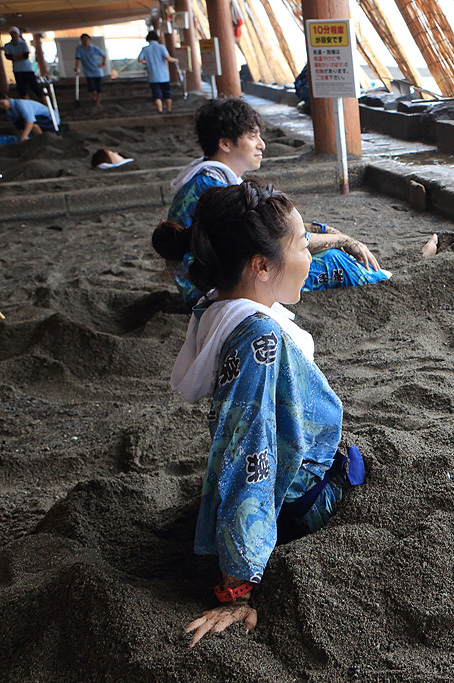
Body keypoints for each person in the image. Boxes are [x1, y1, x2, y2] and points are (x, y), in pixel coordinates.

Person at [168, 179, 363, 647]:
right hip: (301, 503)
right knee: (356, 466)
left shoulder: (218, 303)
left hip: (278, 487)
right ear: (260, 265)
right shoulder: (261, 339)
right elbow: (248, 451)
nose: (309, 255)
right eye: (301, 244)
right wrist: (238, 587)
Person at [153, 98, 399, 306]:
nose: (262, 145)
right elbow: (271, 238)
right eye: (252, 136)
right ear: (225, 143)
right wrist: (343, 240)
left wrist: (332, 232)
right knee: (335, 259)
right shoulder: (214, 188)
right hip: (214, 290)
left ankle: (382, 274)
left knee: (328, 249)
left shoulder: (208, 178)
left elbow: (275, 223)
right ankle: (391, 282)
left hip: (210, 279)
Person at [137, 30, 178, 113]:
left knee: (156, 93)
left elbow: (140, 59)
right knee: (167, 92)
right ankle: (169, 109)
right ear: (157, 38)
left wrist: (147, 61)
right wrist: (176, 60)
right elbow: (167, 58)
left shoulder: (145, 49)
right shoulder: (161, 47)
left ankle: (160, 109)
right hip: (164, 75)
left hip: (152, 75)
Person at [3, 28, 45, 101]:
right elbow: (8, 57)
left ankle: (45, 103)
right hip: (17, 70)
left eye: (15, 34)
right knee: (22, 89)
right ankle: (26, 104)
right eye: (12, 34)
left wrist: (14, 56)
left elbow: (25, 56)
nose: (13, 35)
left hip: (27, 69)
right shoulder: (8, 45)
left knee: (35, 87)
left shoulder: (23, 43)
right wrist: (19, 56)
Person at [74, 34, 107, 107]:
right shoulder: (79, 49)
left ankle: (98, 103)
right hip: (88, 71)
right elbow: (77, 58)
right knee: (92, 88)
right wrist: (76, 67)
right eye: (83, 40)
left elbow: (104, 55)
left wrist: (103, 64)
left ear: (90, 40)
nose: (85, 41)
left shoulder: (95, 48)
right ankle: (93, 96)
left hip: (97, 71)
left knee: (99, 89)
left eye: (86, 40)